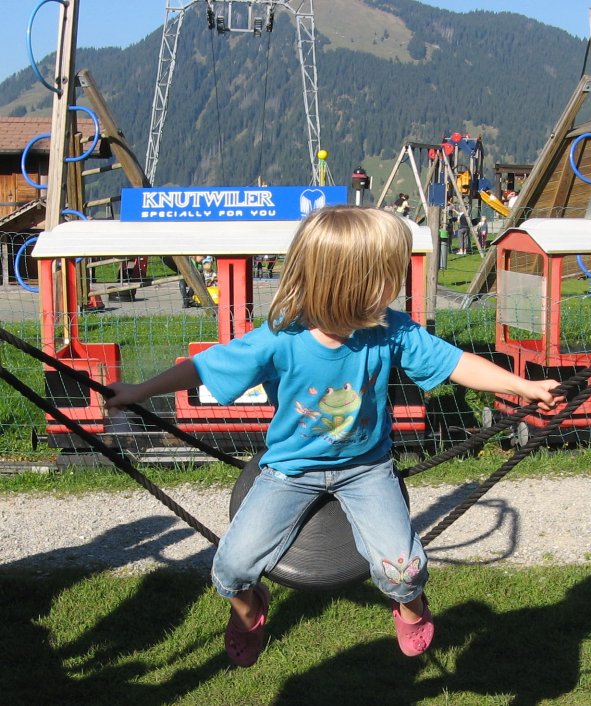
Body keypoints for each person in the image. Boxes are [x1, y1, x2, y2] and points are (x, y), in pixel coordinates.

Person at [105, 206, 561, 667]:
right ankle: (249, 614)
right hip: (290, 472)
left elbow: (456, 363)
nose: (396, 285)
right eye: (387, 274)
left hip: (366, 471)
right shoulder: (281, 339)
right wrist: (138, 391)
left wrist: (523, 386)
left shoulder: (389, 330)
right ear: (347, 281)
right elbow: (203, 367)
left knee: (406, 570)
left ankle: (411, 608)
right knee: (230, 569)